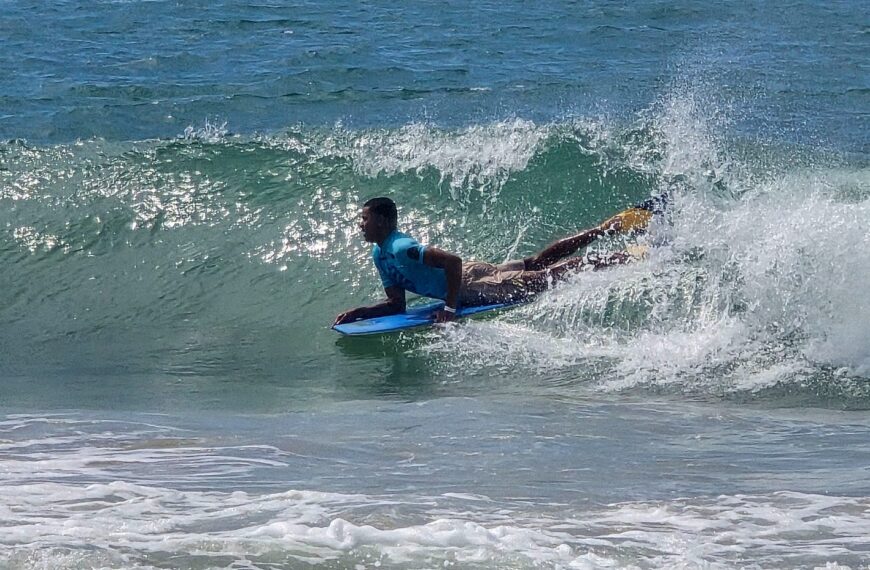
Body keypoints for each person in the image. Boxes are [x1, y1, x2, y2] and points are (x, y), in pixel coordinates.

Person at [333, 196, 644, 326]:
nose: (361, 224)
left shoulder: (401, 247)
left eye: (365, 219)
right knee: (536, 263)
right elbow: (396, 305)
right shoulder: (380, 253)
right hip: (472, 276)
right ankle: (610, 228)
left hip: (473, 284)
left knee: (550, 276)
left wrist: (450, 308)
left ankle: (627, 257)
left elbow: (452, 262)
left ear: (384, 222)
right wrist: (359, 313)